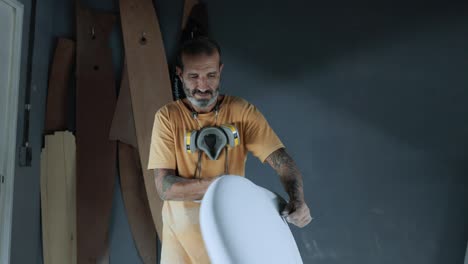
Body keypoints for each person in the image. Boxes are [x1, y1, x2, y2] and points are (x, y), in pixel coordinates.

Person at [148, 37, 312, 264]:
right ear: (180, 73)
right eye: (194, 76)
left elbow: (282, 161)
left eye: (211, 76)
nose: (203, 86)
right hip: (180, 232)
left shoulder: (242, 112)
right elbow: (165, 188)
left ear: (220, 71)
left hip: (229, 225)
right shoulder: (167, 118)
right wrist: (223, 186)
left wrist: (298, 199)